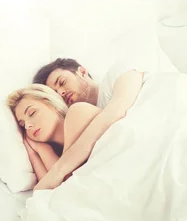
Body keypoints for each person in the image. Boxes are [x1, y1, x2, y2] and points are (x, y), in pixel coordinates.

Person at [31, 58, 144, 190]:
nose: (61, 92)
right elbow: (69, 181)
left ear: (82, 71)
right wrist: (38, 150)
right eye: (56, 95)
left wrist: (59, 170)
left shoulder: (118, 73)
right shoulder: (78, 123)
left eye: (62, 82)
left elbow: (117, 111)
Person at [7, 84, 101, 188]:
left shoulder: (78, 112)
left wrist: (45, 151)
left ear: (51, 103)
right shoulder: (56, 156)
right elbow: (50, 193)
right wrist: (35, 152)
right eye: (23, 125)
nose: (28, 125)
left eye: (32, 113)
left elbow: (68, 181)